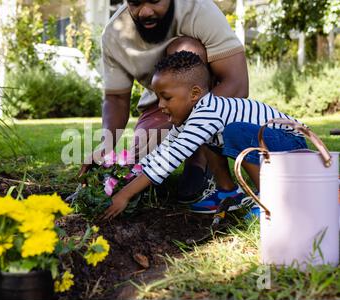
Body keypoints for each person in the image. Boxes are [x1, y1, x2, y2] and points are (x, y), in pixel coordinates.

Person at [79, 0, 249, 204]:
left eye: (155, 0)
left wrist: (190, 133)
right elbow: (116, 98)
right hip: (162, 106)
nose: (146, 11)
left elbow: (237, 84)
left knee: (186, 49)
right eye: (135, 3)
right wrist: (106, 144)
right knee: (134, 172)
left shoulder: (199, 10)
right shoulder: (115, 34)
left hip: (212, 99)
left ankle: (200, 158)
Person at [103, 51, 308, 220]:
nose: (160, 106)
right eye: (158, 98)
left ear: (194, 94)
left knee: (234, 131)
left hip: (289, 143)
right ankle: (228, 191)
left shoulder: (208, 113)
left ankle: (269, 199)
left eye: (166, 98)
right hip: (272, 144)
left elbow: (170, 158)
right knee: (208, 139)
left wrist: (124, 195)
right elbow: (164, 150)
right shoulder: (193, 117)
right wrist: (129, 175)